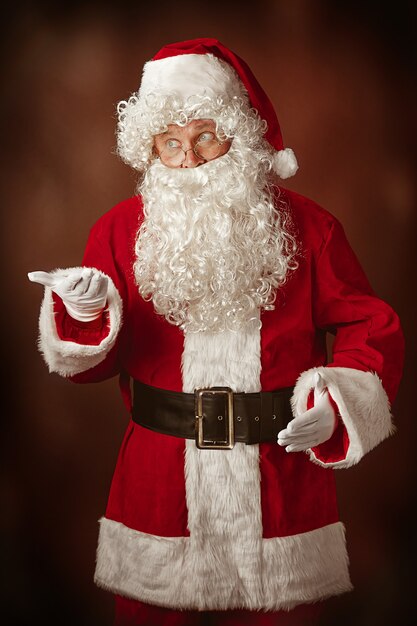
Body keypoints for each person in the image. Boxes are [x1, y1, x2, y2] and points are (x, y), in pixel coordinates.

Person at [28, 38, 405, 625]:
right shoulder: (117, 231)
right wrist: (84, 313)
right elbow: (94, 366)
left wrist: (339, 404)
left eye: (206, 135)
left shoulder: (309, 228)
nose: (191, 159)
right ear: (150, 148)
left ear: (240, 136)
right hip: (157, 489)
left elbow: (368, 325)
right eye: (170, 143)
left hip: (282, 487)